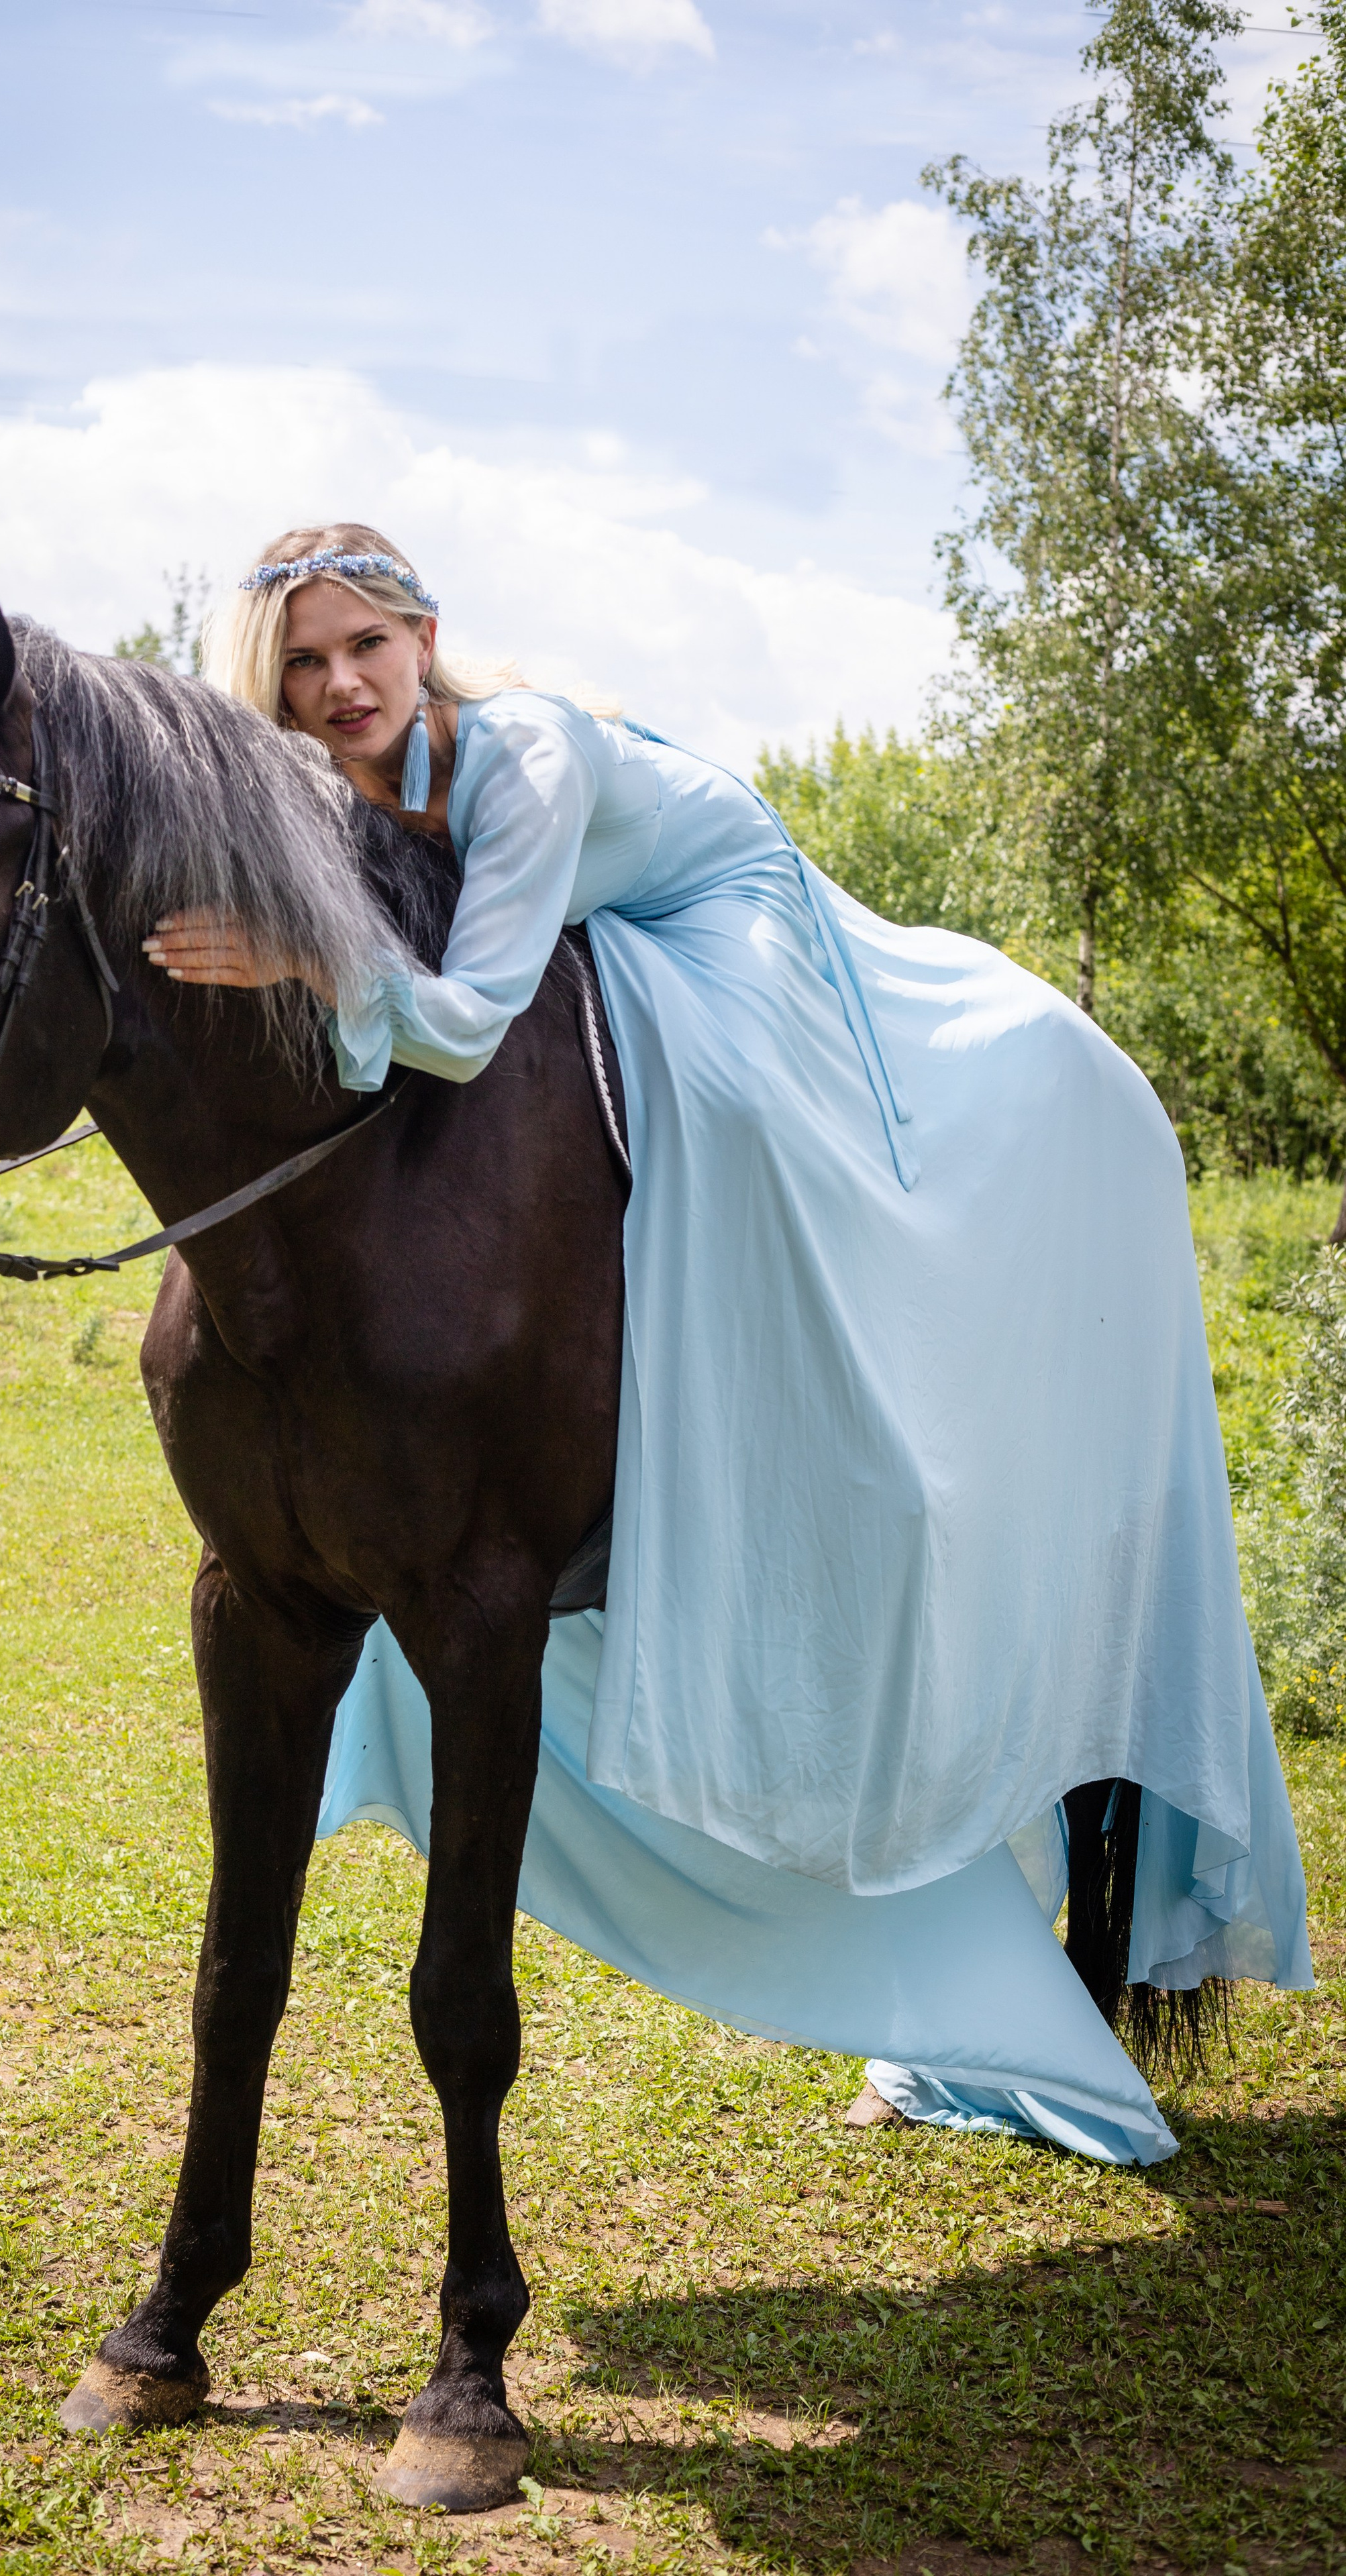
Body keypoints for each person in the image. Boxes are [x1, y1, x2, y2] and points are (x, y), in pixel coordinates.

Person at [142, 521, 1311, 2163]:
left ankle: (837, 1390)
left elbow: (461, 1024)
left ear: (423, 635)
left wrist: (307, 956)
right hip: (572, 932)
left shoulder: (520, 754)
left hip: (714, 915)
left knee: (735, 1111)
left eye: (364, 647)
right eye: (304, 665)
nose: (340, 685)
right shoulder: (329, 791)